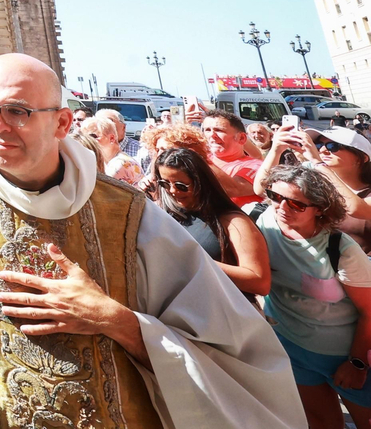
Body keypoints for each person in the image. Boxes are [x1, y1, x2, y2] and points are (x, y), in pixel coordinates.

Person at [0, 53, 302, 429]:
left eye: (17, 110)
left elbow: (232, 352)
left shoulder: (129, 212)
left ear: (62, 122)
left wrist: (117, 321)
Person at [258, 165, 371, 429]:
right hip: (292, 347)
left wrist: (356, 363)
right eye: (275, 197)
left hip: (344, 356)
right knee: (320, 423)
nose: (282, 208)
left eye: (296, 204)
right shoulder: (264, 221)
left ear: (320, 208)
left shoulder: (341, 249)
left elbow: (370, 311)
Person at [152, 146, 269, 297]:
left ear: (201, 182)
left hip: (223, 313)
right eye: (165, 184)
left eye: (181, 186)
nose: (173, 191)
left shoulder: (233, 221)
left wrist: (194, 260)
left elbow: (260, 283)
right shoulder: (165, 213)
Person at [261, 126, 371, 254]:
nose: (322, 150)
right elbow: (261, 188)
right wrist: (276, 150)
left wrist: (318, 163)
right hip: (316, 263)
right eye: (318, 145)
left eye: (332, 146)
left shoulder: (319, 167)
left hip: (359, 266)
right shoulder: (315, 178)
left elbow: (356, 209)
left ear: (362, 158)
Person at [203, 109, 265, 206]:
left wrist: (199, 158)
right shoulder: (204, 158)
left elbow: (233, 189)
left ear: (241, 138)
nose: (212, 135)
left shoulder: (257, 166)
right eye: (207, 130)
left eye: (219, 130)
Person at [83, 110, 143, 185]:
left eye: (93, 136)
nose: (88, 140)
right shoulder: (109, 161)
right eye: (85, 137)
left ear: (111, 138)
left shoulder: (119, 164)